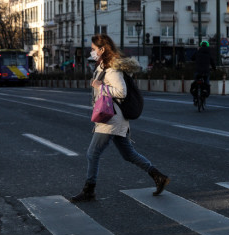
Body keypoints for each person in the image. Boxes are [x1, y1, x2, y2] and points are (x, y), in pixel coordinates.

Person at [70, 34, 171, 203]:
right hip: (113, 117)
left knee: (92, 153)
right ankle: (158, 176)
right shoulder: (103, 67)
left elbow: (121, 92)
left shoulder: (112, 69)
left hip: (111, 119)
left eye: (94, 49)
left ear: (102, 49)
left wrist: (100, 86)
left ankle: (89, 190)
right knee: (128, 154)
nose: (91, 51)